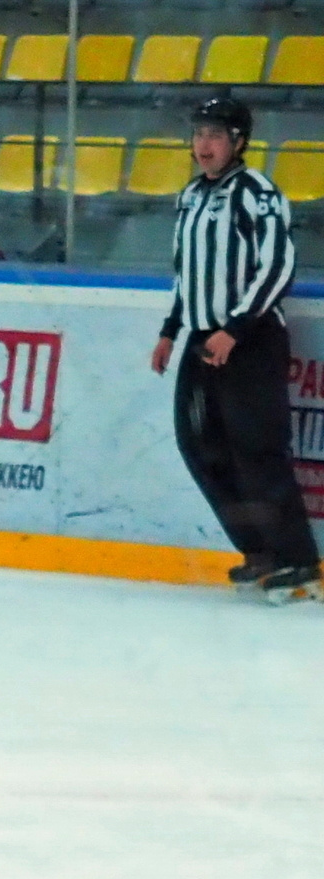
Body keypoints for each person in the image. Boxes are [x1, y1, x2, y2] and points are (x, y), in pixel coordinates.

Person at [152, 97, 318, 599]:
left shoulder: (258, 193)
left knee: (258, 450)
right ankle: (258, 547)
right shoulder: (192, 196)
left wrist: (236, 329)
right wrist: (171, 328)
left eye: (216, 135)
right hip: (204, 341)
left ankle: (300, 561)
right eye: (199, 133)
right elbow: (189, 272)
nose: (203, 144)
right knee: (198, 444)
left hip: (251, 341)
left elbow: (276, 268)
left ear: (239, 142)